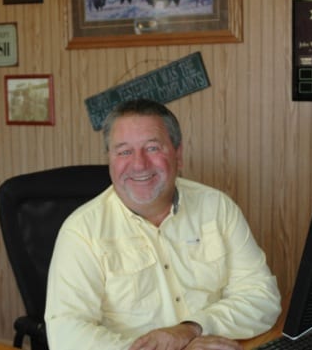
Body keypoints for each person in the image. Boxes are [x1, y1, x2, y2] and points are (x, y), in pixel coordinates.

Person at [45, 99, 281, 350]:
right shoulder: (81, 232)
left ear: (178, 155)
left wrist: (192, 329)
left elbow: (262, 298)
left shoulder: (217, 207)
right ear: (110, 160)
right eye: (124, 151)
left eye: (152, 148)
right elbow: (67, 335)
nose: (139, 164)